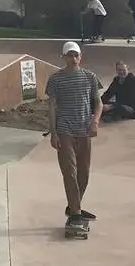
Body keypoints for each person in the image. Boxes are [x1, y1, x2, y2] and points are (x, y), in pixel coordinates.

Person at [47, 41, 102, 232]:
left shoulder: (90, 77)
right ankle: (76, 213)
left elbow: (98, 103)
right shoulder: (55, 79)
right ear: (64, 57)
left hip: (84, 129)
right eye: (69, 55)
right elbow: (52, 106)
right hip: (65, 130)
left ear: (80, 57)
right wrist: (53, 132)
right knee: (69, 172)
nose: (73, 59)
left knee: (84, 173)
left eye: (76, 55)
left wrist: (95, 121)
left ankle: (73, 206)